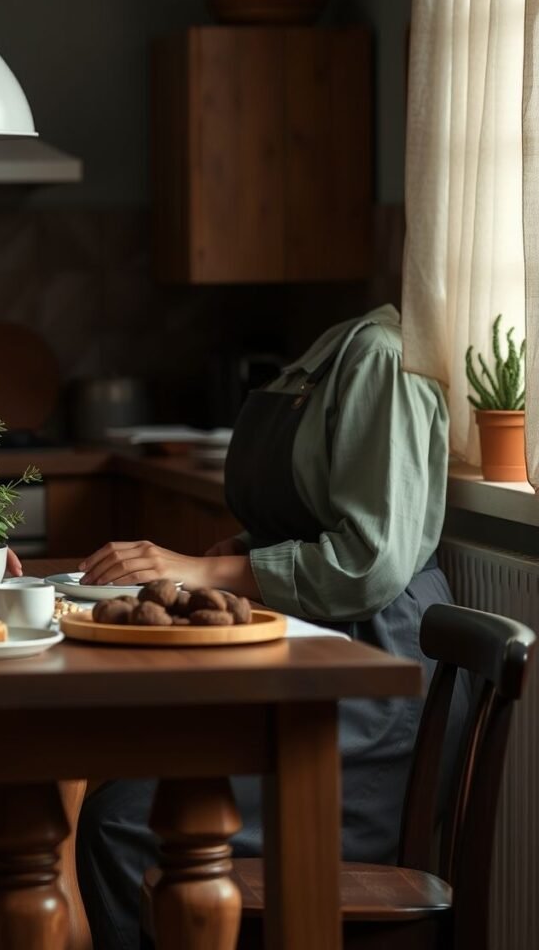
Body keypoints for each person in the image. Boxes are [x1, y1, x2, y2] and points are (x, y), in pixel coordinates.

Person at [74, 304, 458, 950]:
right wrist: (236, 550)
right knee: (124, 794)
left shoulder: (381, 357)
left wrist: (206, 568)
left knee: (121, 822)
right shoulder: (340, 349)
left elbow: (368, 564)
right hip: (321, 665)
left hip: (373, 690)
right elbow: (315, 518)